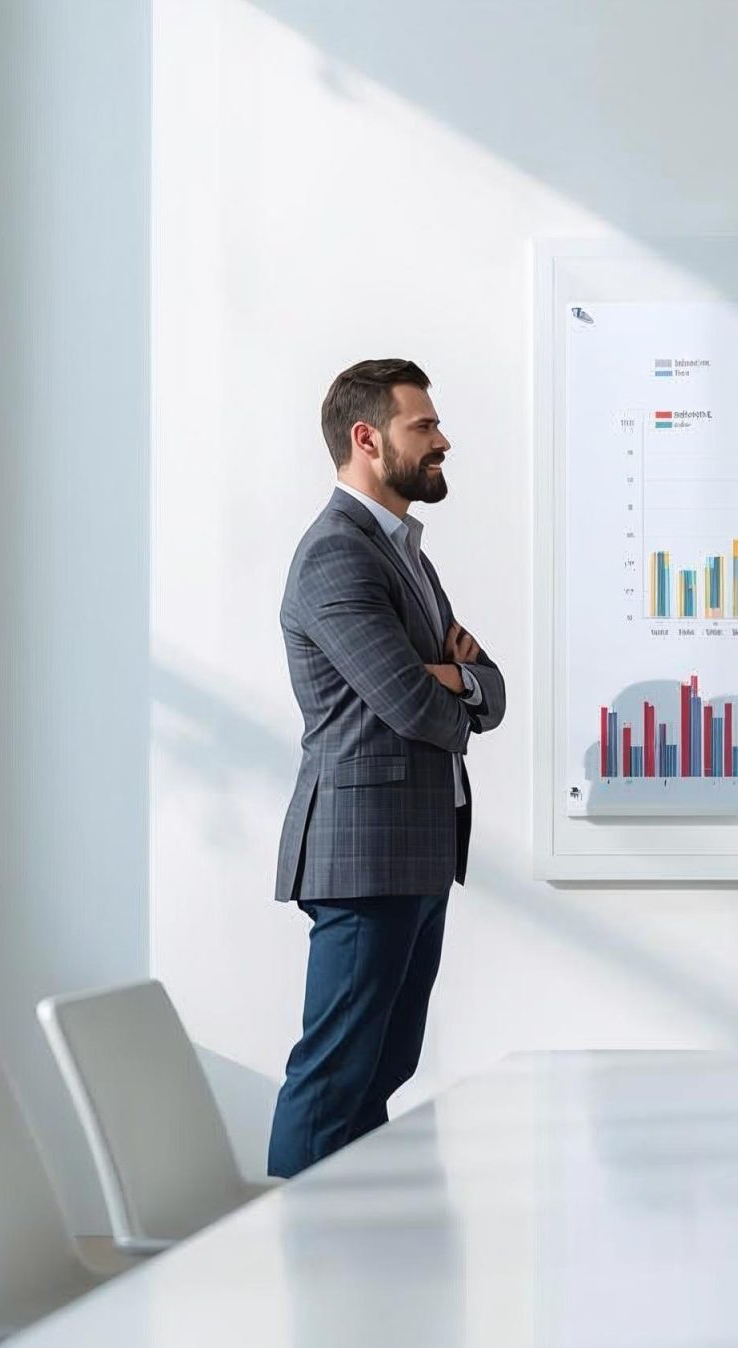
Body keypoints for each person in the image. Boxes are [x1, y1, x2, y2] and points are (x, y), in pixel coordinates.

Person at [268, 358, 505, 1177]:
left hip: (415, 848)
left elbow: (489, 689)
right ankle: (289, 1235)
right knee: (334, 1075)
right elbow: (409, 704)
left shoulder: (404, 553)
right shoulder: (337, 555)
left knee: (382, 1071)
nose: (443, 441)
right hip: (363, 852)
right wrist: (448, 680)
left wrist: (457, 677)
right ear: (368, 439)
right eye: (424, 426)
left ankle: (351, 1235)